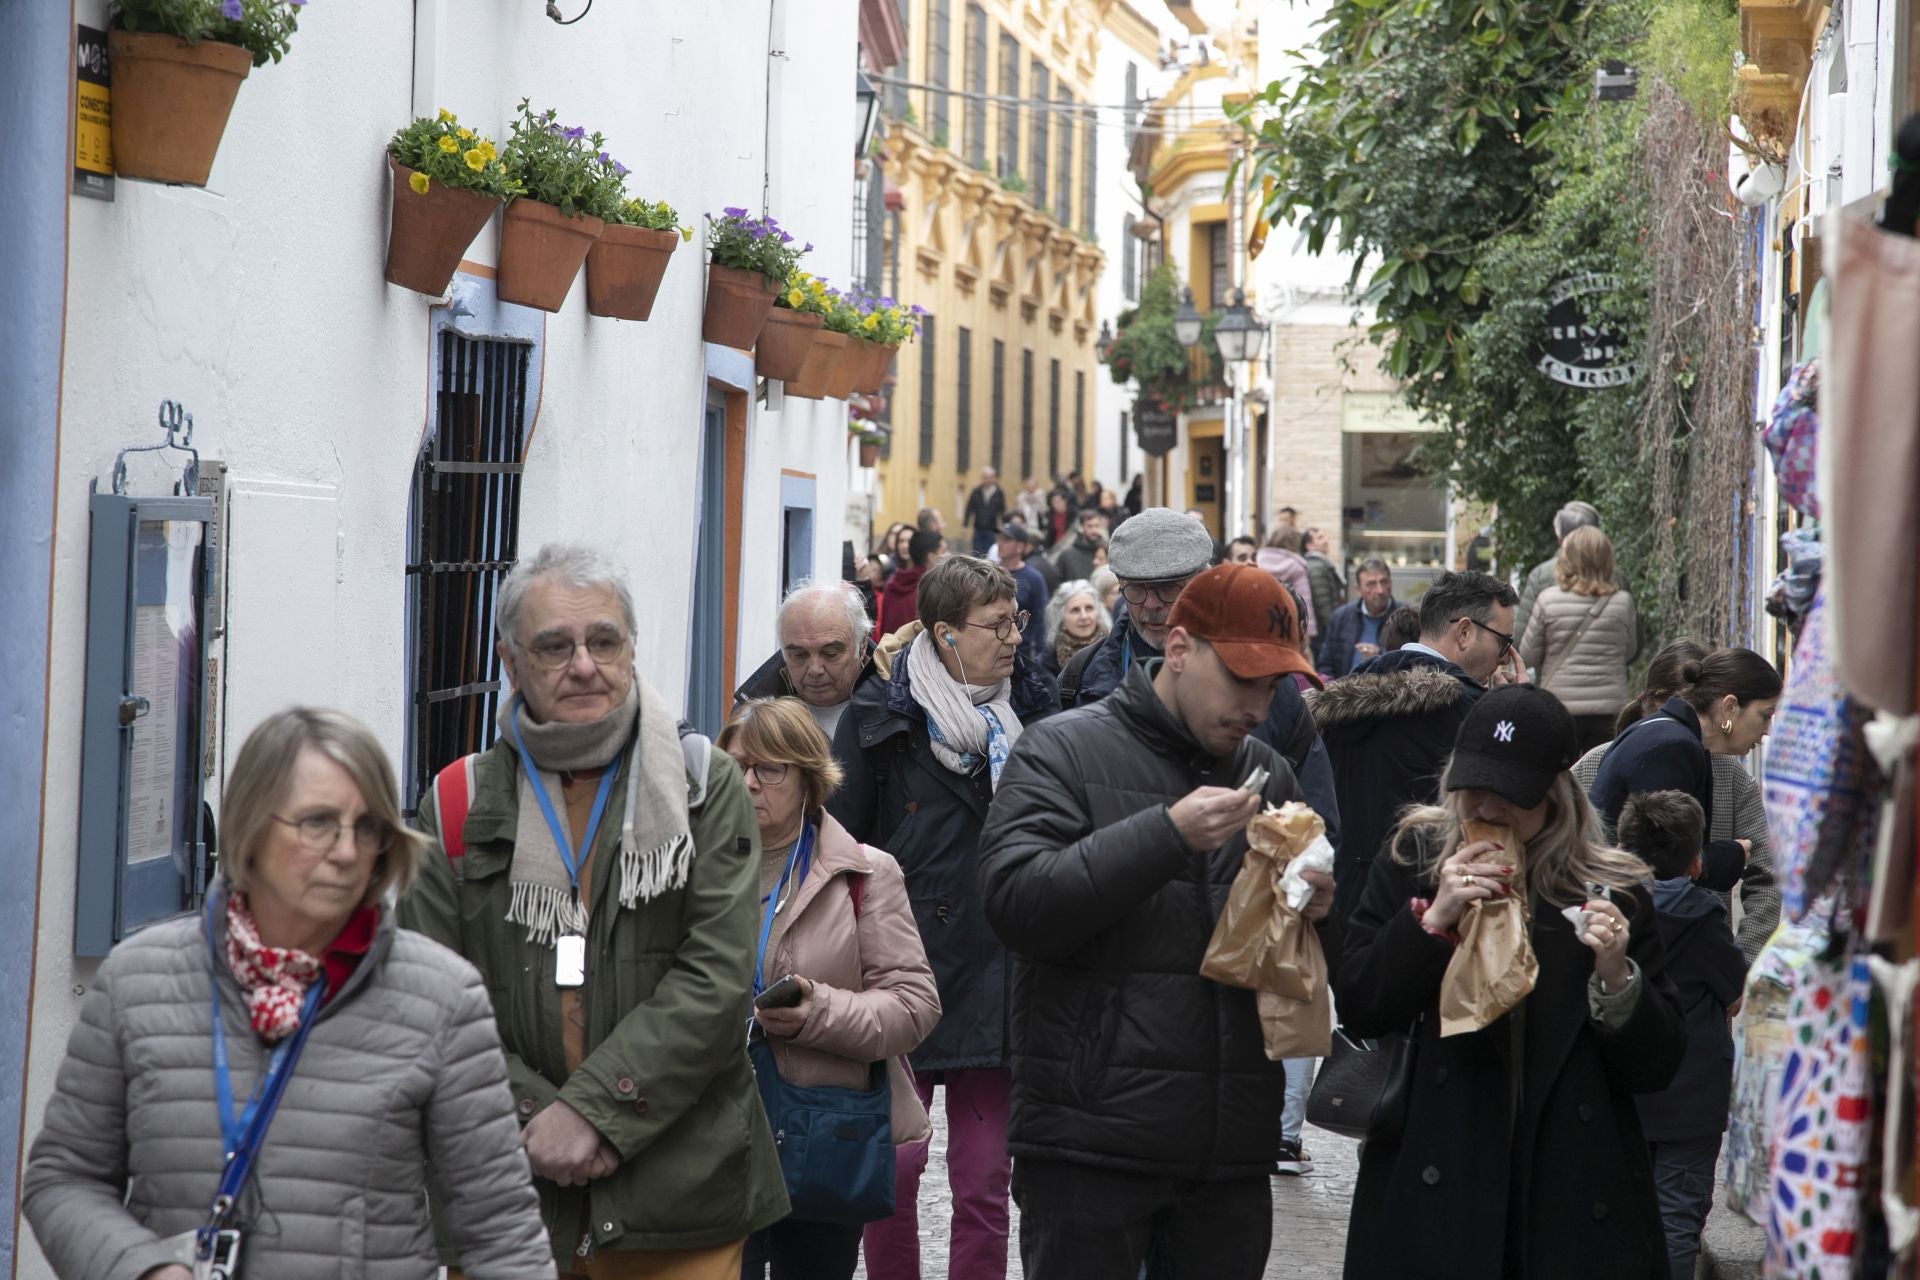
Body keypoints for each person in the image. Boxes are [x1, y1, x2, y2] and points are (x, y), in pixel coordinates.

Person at [25, 707, 556, 1280]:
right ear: (251, 828)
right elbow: (64, 1178)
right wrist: (144, 1269)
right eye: (318, 822)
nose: (348, 852)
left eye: (367, 827)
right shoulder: (138, 982)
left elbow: (502, 1235)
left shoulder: (443, 999)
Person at [400, 544, 788, 1276]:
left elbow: (717, 979)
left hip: (678, 1201)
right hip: (507, 1197)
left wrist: (593, 1113)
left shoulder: (703, 789)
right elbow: (427, 1002)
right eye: (555, 646)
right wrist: (534, 1119)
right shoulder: (455, 804)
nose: (584, 664)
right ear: (511, 664)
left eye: (603, 640)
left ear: (631, 649)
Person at [978, 563, 1337, 1278]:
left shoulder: (1269, 771)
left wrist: (1310, 908)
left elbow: (1281, 960)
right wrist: (1166, 834)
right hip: (1089, 1146)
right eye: (1241, 679)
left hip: (1227, 1154)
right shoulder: (1061, 749)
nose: (1258, 706)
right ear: (1178, 650)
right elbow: (1016, 904)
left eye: (1272, 686)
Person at [1335, 684, 1684, 1278]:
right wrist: (1433, 919)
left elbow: (1656, 1069)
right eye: (1474, 790)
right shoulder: (1418, 859)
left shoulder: (1612, 888)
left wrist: (1617, 976)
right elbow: (1362, 1005)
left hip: (1570, 1189)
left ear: (1553, 795)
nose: (1487, 810)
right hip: (1440, 1174)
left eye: (1509, 795)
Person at [829, 556, 1060, 1280]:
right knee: (895, 1173)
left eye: (1017, 620)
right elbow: (840, 845)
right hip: (903, 974)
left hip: (1001, 971)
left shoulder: (1037, 712)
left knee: (986, 1184)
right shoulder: (881, 718)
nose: (1015, 638)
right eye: (996, 625)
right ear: (944, 634)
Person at [720, 698, 943, 1280]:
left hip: (822, 1133)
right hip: (715, 1133)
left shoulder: (865, 873)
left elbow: (915, 1006)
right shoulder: (690, 869)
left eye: (768, 769)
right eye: (736, 765)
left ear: (808, 779)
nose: (748, 782)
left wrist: (817, 1011)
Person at [1312, 570, 1523, 925]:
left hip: (1341, 900)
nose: (1504, 658)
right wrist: (1518, 710)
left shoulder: (1345, 692)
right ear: (1465, 632)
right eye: (1504, 643)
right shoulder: (1473, 711)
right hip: (1431, 904)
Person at [1572, 641, 1782, 961]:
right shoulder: (1674, 746)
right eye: (1764, 715)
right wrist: (1731, 854)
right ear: (1728, 708)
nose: (1767, 731)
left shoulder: (1668, 737)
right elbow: (1662, 870)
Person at [1618, 790, 1747, 1280]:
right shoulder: (1701, 916)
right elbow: (1734, 987)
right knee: (1677, 1214)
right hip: (1690, 1091)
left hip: (1623, 1085)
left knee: (1625, 1210)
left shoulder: (1604, 906)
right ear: (1696, 860)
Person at [1057, 507, 1215, 709]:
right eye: (1136, 589)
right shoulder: (1079, 675)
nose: (1150, 604)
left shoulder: (1247, 675)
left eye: (1167, 588)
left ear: (1202, 584)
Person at [1518, 526, 1640, 753]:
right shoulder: (1623, 602)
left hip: (1559, 707)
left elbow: (1528, 656)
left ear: (1567, 558)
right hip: (1610, 710)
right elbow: (1630, 651)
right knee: (1601, 779)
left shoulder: (1548, 600)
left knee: (1562, 780)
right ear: (1607, 559)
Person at [735, 581, 885, 743]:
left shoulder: (899, 707)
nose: (815, 669)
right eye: (799, 655)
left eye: (830, 653)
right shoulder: (748, 717)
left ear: (862, 646)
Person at [1513, 500, 1624, 648]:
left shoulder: (1540, 575)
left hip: (1554, 670)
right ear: (1596, 534)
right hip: (1611, 670)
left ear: (1559, 537)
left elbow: (1521, 638)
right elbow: (1632, 646)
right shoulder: (1616, 577)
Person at [1316, 558, 1400, 677]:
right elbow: (1325, 665)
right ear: (1358, 590)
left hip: (1389, 692)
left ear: (1390, 584)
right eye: (1371, 584)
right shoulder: (1340, 617)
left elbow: (1413, 664)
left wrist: (1380, 656)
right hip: (1344, 692)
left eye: (1384, 582)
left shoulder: (1404, 618)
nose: (1380, 590)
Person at [995, 521, 1051, 668]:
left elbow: (1041, 618)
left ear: (1020, 546)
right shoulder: (990, 574)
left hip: (1022, 651)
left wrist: (1039, 656)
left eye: (1006, 540)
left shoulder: (1034, 578)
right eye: (999, 538)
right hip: (993, 646)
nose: (1000, 543)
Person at [876, 530, 944, 639]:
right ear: (931, 557)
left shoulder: (892, 584)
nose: (948, 555)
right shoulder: (932, 588)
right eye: (943, 551)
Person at [1254, 528, 1317, 642]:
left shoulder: (1258, 560)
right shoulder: (1296, 566)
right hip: (1287, 621)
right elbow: (1304, 599)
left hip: (1259, 617)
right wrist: (1308, 629)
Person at [1042, 578, 1111, 676]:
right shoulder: (1047, 661)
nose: (1084, 616)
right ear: (1061, 617)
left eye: (1089, 608)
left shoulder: (1115, 648)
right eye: (1075, 610)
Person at [1302, 528, 1345, 649]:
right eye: (1320, 538)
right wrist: (1334, 630)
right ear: (1309, 545)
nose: (1326, 540)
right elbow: (1323, 604)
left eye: (1325, 537)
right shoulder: (1316, 567)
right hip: (1322, 634)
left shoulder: (1322, 564)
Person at [1048, 506, 1108, 582]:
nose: (1094, 530)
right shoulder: (1067, 555)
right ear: (1081, 527)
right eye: (1089, 526)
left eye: (1097, 526)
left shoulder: (1106, 551)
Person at [964, 467, 1008, 556]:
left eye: (989, 477)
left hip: (991, 530)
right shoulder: (976, 491)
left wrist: (1004, 528)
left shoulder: (999, 493)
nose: (987, 479)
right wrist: (965, 526)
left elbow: (1002, 511)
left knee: (990, 554)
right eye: (985, 477)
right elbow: (969, 508)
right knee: (977, 554)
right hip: (978, 529)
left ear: (993, 478)